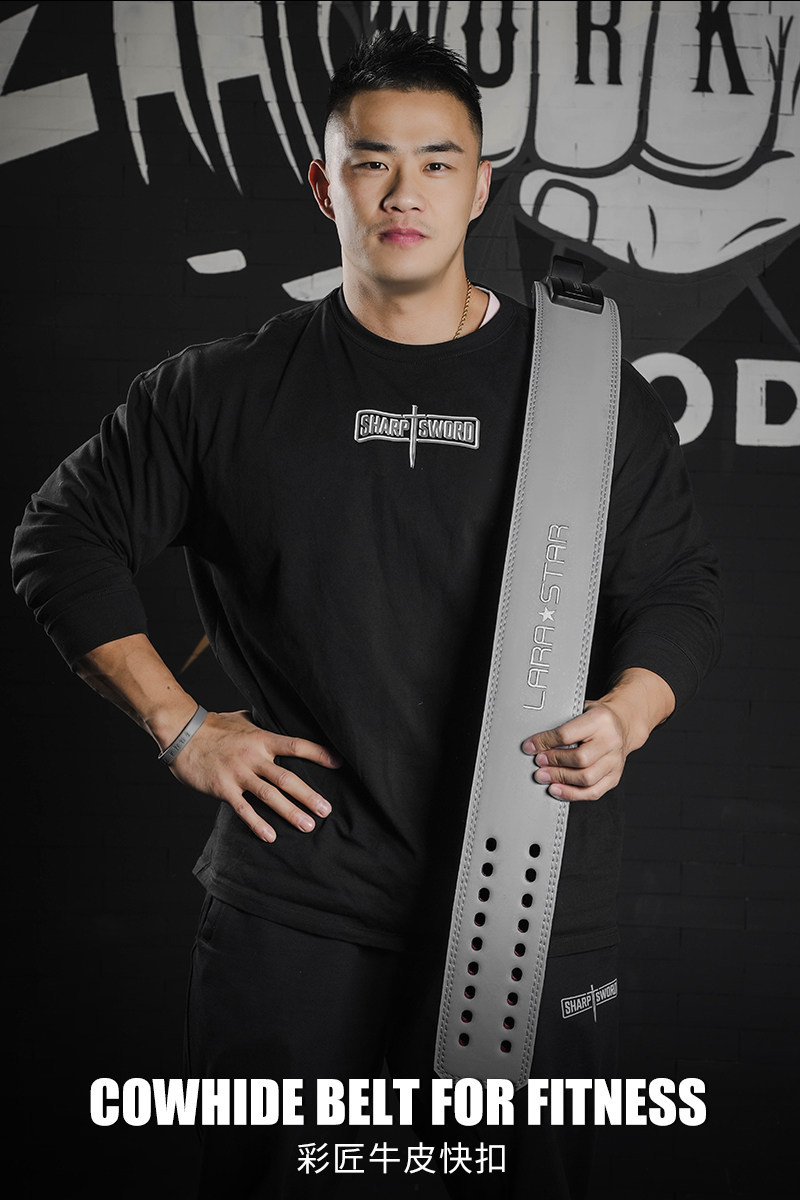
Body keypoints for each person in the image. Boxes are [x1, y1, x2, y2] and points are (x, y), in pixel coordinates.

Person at [12, 28, 721, 1200]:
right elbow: (59, 539)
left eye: (437, 162)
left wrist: (626, 714)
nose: (404, 192)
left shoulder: (591, 392)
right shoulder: (219, 391)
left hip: (528, 887)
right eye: (370, 160)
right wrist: (181, 727)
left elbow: (673, 591)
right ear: (322, 183)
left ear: (480, 186)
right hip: (298, 902)